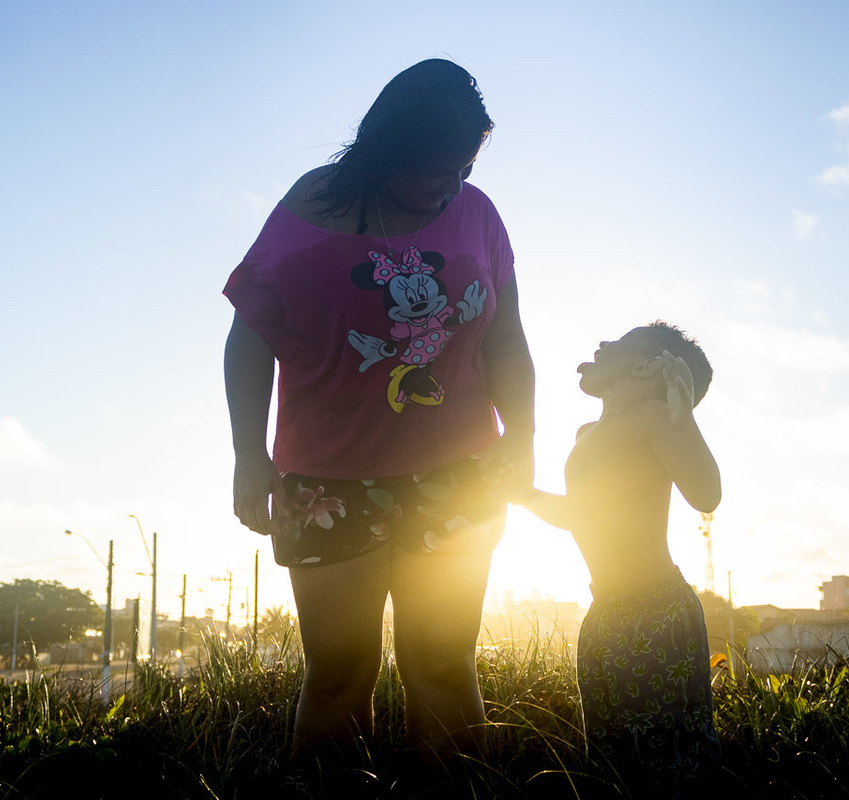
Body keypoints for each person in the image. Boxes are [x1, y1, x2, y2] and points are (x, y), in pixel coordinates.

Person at [222, 59, 535, 771]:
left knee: (445, 666)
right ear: (388, 150)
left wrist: (523, 438)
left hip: (460, 473)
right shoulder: (312, 207)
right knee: (337, 671)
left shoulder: (478, 213)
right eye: (436, 169)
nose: (451, 185)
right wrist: (249, 456)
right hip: (326, 482)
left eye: (464, 166)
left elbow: (508, 338)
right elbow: (250, 335)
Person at [515, 322, 721, 791]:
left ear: (648, 368)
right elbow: (581, 516)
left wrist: (682, 418)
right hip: (606, 615)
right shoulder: (589, 433)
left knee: (670, 764)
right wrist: (523, 494)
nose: (604, 344)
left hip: (656, 612)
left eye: (621, 344)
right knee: (611, 763)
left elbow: (706, 493)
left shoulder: (652, 417)